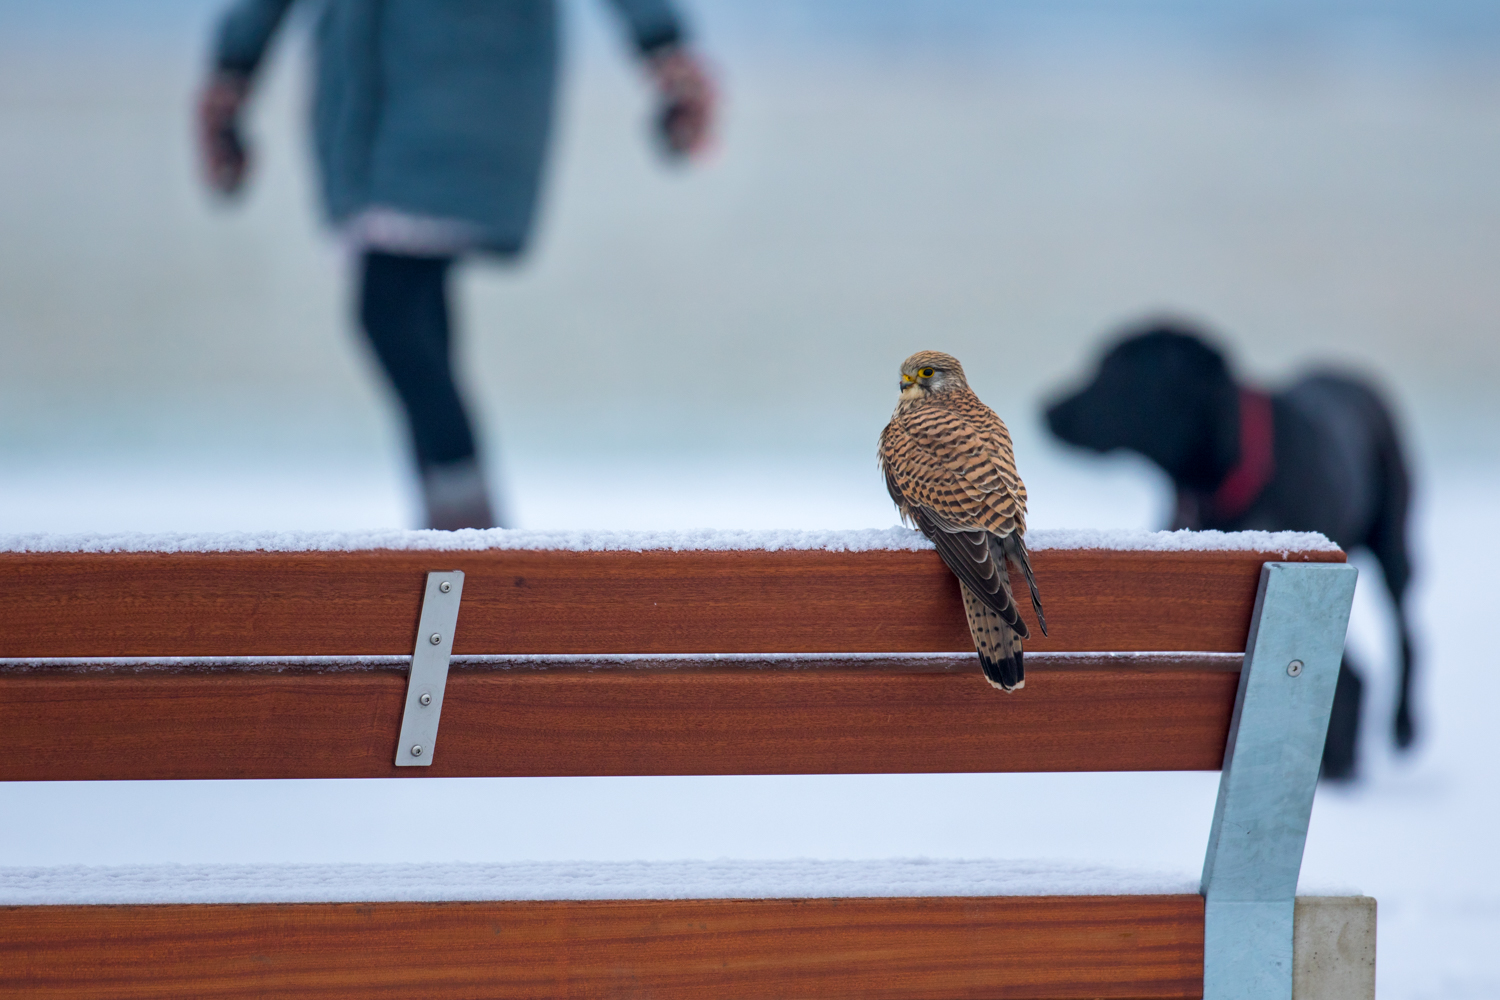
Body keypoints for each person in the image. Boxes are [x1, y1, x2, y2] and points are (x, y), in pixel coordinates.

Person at [196, 0, 715, 529]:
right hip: (378, 95)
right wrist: (233, 73)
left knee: (391, 314)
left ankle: (467, 537)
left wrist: (665, 53)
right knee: (413, 316)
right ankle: (456, 538)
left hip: (449, 92)